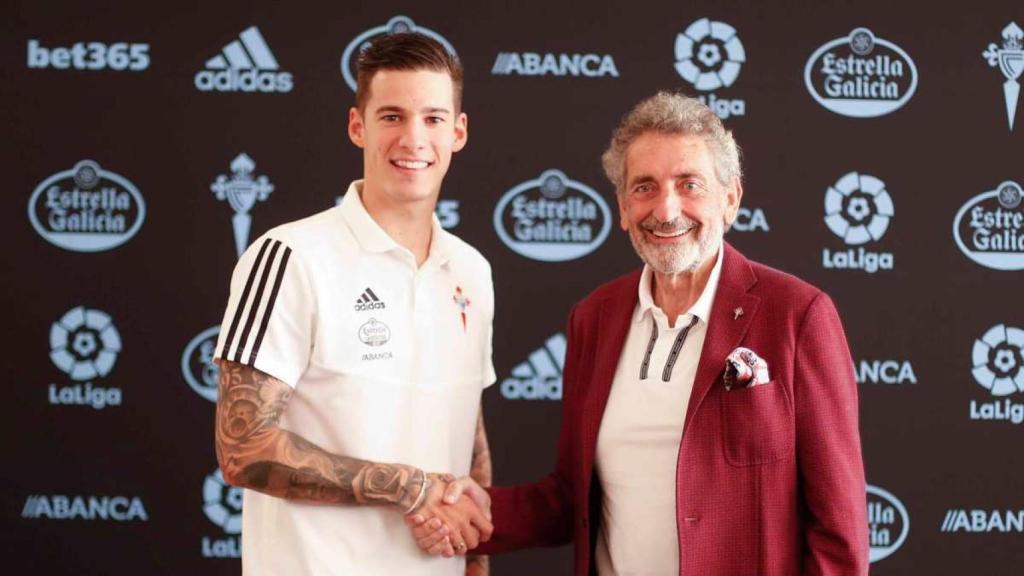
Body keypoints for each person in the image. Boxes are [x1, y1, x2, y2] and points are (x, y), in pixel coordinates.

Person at [411, 92, 869, 575]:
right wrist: (479, 510)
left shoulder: (797, 315)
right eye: (645, 187)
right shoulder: (595, 319)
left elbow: (839, 535)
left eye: (689, 185)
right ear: (624, 207)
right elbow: (571, 499)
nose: (666, 210)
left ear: (730, 199)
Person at [213, 32, 495, 576]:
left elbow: (467, 429)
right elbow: (243, 448)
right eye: (392, 116)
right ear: (357, 126)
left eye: (433, 118)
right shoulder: (289, 256)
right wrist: (410, 487)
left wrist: (476, 560)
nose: (413, 138)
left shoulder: (471, 271)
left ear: (458, 132)